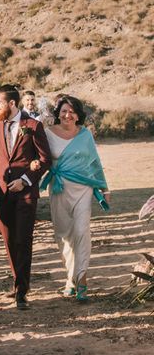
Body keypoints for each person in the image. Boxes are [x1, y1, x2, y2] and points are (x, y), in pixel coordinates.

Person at [0, 84, 52, 309]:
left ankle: (22, 290)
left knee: (23, 239)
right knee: (9, 241)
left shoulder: (33, 126)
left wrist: (26, 180)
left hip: (26, 194)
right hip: (2, 193)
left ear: (11, 104)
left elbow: (45, 159)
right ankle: (17, 282)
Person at [40, 95, 109, 301]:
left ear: (78, 115)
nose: (67, 115)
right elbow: (41, 158)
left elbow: (94, 162)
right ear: (58, 113)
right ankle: (70, 278)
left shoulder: (85, 135)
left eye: (72, 112)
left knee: (81, 231)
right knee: (64, 236)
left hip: (83, 188)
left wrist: (104, 187)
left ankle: (82, 279)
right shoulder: (47, 133)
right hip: (59, 189)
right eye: (63, 111)